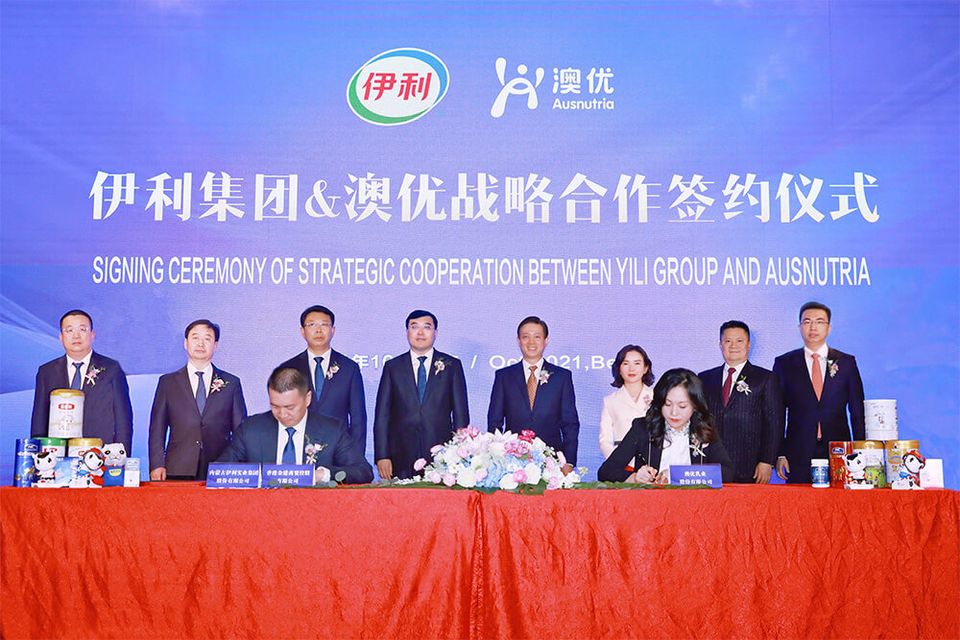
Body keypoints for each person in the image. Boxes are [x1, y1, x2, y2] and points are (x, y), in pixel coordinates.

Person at [217, 367, 373, 484]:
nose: (282, 414)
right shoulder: (251, 429)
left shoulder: (332, 430)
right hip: (262, 509)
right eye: (275, 406)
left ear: (307, 399)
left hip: (316, 510)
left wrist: (323, 475)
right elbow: (219, 471)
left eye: (290, 407)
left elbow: (363, 471)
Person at [773, 301, 865, 484]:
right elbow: (777, 413)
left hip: (839, 449)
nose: (813, 327)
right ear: (800, 327)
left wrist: (861, 450)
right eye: (807, 322)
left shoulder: (846, 362)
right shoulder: (784, 363)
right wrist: (780, 453)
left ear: (829, 328)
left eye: (819, 321)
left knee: (840, 499)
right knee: (800, 500)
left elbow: (857, 411)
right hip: (797, 450)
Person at [373, 310, 470, 480]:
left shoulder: (452, 365)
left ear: (435, 333)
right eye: (414, 327)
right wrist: (382, 455)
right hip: (400, 456)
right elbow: (382, 415)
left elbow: (460, 414)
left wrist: (460, 454)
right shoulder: (393, 367)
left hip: (442, 457)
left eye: (427, 327)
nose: (420, 332)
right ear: (407, 332)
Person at [148, 319, 247, 480]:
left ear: (215, 345)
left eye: (207, 339)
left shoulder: (231, 383)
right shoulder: (168, 382)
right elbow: (157, 428)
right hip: (178, 466)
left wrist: (238, 467)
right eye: (195, 338)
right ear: (186, 343)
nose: (201, 344)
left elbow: (240, 431)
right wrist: (156, 464)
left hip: (219, 467)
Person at [598, 368, 734, 484]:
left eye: (682, 406)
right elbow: (606, 472)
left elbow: (727, 472)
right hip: (652, 503)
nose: (674, 412)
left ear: (695, 406)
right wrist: (635, 477)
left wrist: (679, 475)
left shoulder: (704, 427)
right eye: (667, 404)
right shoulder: (643, 427)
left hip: (696, 502)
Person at [31, 309, 133, 452]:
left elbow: (123, 418)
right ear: (61, 337)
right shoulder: (46, 372)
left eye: (82, 329)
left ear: (92, 335)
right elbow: (39, 419)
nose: (76, 335)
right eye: (69, 330)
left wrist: (121, 455)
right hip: (56, 454)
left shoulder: (111, 369)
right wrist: (38, 455)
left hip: (100, 453)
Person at [488, 316, 580, 474]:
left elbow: (570, 424)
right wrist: (496, 458)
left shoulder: (561, 377)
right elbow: (494, 422)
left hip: (552, 462)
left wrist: (569, 462)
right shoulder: (504, 376)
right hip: (513, 462)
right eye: (526, 337)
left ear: (546, 340)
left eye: (537, 337)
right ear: (518, 340)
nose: (531, 342)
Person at [698, 321, 784, 483]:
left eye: (739, 341)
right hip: (710, 464)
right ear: (720, 344)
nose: (733, 346)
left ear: (748, 344)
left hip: (750, 465)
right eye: (727, 341)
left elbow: (774, 423)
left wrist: (767, 461)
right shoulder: (705, 378)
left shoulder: (765, 378)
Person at [277, 305, 366, 452]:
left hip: (338, 450)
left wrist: (355, 457)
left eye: (324, 324)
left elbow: (358, 419)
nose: (318, 330)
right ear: (302, 331)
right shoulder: (288, 369)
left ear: (333, 330)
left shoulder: (349, 368)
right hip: (299, 449)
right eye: (312, 325)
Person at [599, 344, 655, 460]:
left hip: (652, 461)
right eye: (625, 364)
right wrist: (618, 462)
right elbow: (605, 441)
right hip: (622, 462)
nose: (631, 369)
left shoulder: (657, 397)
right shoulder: (610, 401)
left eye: (637, 363)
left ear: (646, 368)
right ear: (618, 369)